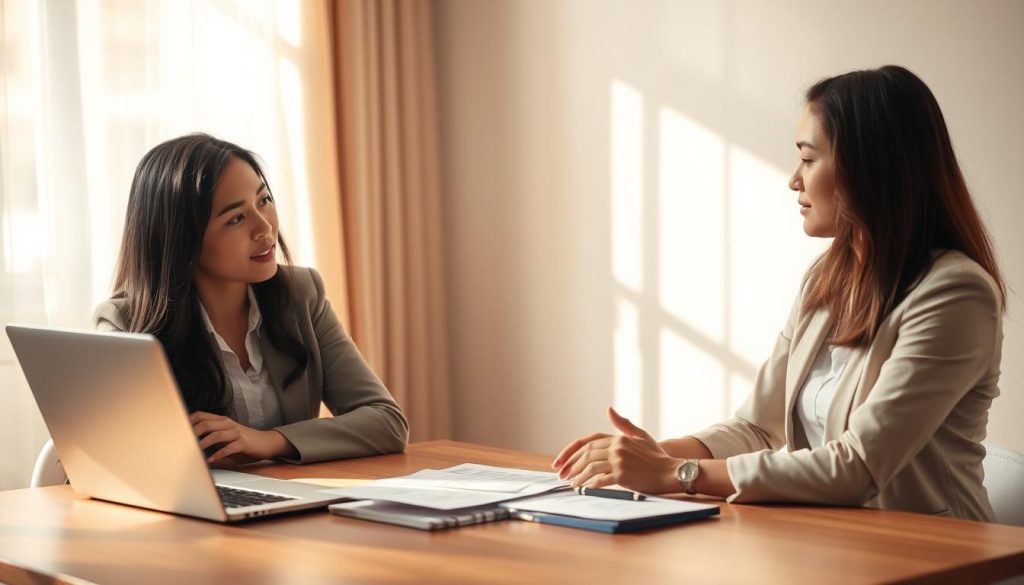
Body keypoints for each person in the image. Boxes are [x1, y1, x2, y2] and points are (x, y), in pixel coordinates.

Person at [552, 65, 1005, 522]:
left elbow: (857, 466)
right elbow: (756, 426)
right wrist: (653, 457)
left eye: (809, 159)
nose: (794, 180)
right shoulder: (828, 279)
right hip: (834, 543)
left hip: (941, 554)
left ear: (870, 167)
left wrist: (677, 473)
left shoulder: (956, 294)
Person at [96, 133, 408, 465]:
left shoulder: (301, 295)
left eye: (264, 201)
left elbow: (386, 421)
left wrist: (269, 442)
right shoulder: (126, 324)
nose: (264, 229)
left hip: (296, 504)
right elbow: (113, 457)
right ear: (182, 240)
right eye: (236, 218)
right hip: (194, 511)